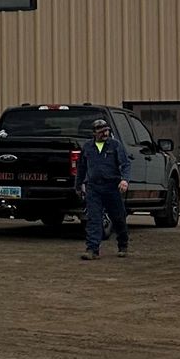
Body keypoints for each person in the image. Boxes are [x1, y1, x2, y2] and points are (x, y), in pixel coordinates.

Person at [75, 111, 130, 259]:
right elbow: (81, 168)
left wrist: (124, 180)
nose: (105, 134)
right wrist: (78, 185)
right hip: (94, 188)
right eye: (101, 132)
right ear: (94, 133)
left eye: (106, 131)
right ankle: (92, 249)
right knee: (94, 219)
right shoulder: (87, 147)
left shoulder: (115, 145)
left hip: (112, 187)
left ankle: (123, 244)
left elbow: (125, 164)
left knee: (118, 217)